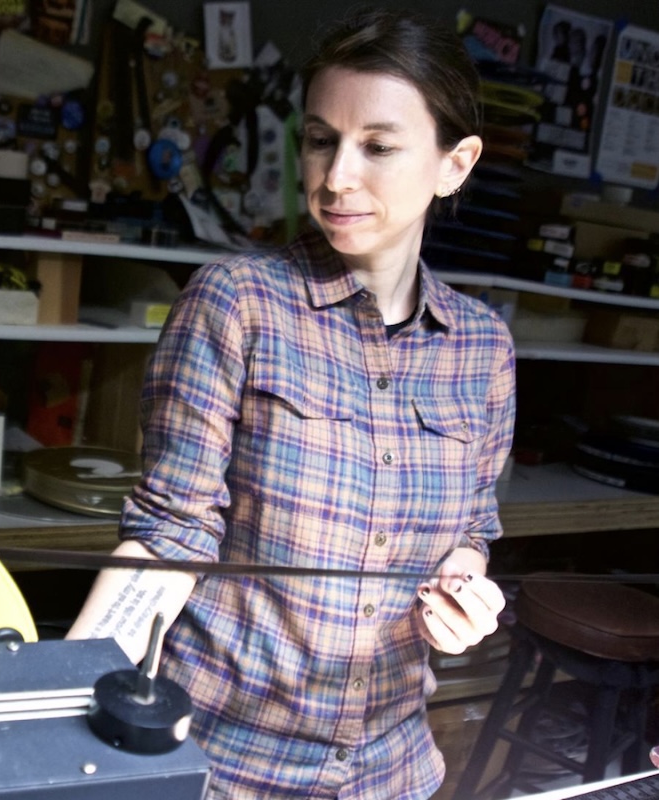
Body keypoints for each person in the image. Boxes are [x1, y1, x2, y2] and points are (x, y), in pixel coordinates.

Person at [66, 7, 515, 799]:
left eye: (377, 146)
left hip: (390, 770)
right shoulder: (236, 303)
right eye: (319, 140)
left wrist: (466, 589)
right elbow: (170, 533)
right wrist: (59, 707)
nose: (337, 176)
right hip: (222, 764)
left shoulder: (482, 349)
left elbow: (473, 526)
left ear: (456, 163)